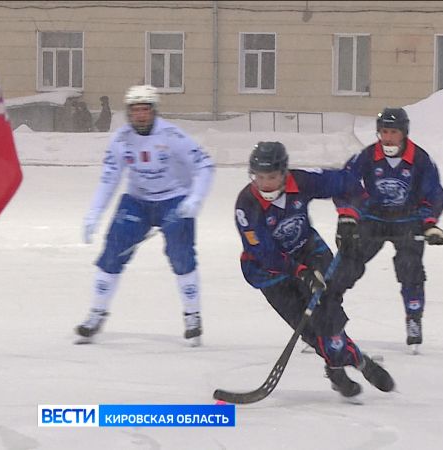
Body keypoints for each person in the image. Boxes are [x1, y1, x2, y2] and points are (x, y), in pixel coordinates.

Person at [234, 141, 394, 399]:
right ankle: (355, 361)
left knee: (326, 313)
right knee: (309, 329)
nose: (265, 184)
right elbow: (264, 253)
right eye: (259, 177)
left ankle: (339, 366)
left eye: (271, 177)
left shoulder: (301, 181)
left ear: (284, 173)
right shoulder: (246, 205)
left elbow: (346, 182)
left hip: (309, 251)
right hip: (270, 273)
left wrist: (348, 215)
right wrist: (300, 272)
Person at [76, 85, 215, 346]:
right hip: (137, 201)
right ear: (128, 113)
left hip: (174, 199)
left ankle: (192, 315)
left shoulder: (172, 136)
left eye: (145, 110)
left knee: (181, 255)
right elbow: (109, 178)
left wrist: (195, 198)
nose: (140, 115)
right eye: (135, 110)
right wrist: (94, 212)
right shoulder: (121, 140)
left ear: (154, 111)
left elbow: (205, 165)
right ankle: (96, 312)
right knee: (113, 251)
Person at [333, 107, 443, 353]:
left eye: (393, 132)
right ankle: (326, 318)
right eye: (384, 132)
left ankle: (413, 319)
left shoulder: (420, 159)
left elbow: (433, 193)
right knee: (347, 264)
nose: (388, 138)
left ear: (404, 133)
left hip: (407, 220)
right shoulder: (366, 156)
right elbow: (343, 183)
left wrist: (429, 223)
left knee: (410, 267)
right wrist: (348, 216)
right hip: (373, 218)